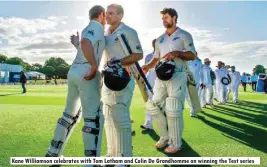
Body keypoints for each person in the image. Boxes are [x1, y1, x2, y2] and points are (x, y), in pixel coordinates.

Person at [45, 5, 106, 163]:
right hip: (86, 71)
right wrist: (94, 66)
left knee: (68, 115)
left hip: (74, 71)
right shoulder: (97, 26)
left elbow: (85, 45)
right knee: (93, 118)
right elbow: (87, 43)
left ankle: (53, 154)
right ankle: (91, 162)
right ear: (101, 14)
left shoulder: (87, 27)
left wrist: (77, 45)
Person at [142, 8, 196, 153]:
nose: (164, 20)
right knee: (152, 105)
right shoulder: (160, 39)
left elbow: (193, 55)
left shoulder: (184, 35)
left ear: (174, 17)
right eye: (162, 18)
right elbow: (156, 58)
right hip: (161, 75)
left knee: (172, 107)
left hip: (178, 74)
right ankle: (165, 136)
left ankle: (176, 143)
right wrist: (147, 67)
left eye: (166, 17)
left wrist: (177, 53)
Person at [102, 4, 143, 160]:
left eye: (111, 13)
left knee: (120, 116)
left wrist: (119, 62)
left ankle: (125, 157)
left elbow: (138, 54)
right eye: (106, 13)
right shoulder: (105, 33)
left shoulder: (128, 31)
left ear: (121, 15)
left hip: (123, 78)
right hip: (108, 79)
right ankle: (112, 154)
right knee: (108, 118)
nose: (107, 16)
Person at [140, 39, 157, 131]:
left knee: (163, 102)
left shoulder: (164, 55)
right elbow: (145, 70)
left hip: (161, 80)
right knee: (149, 102)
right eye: (154, 43)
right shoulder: (149, 56)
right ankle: (148, 123)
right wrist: (142, 81)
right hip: (150, 79)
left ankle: (166, 124)